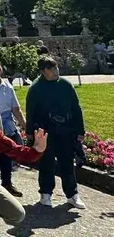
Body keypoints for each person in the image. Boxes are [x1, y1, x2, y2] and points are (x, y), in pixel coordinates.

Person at [26, 56, 86, 209]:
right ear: (43, 71)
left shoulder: (65, 85)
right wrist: (30, 134)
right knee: (46, 162)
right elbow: (30, 112)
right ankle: (45, 194)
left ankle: (72, 195)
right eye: (51, 69)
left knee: (67, 161)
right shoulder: (36, 88)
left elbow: (76, 107)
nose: (55, 71)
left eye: (56, 67)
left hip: (66, 130)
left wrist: (80, 130)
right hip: (45, 132)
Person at [0, 57, 27, 197]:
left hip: (7, 124)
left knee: (7, 155)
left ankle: (7, 184)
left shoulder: (7, 85)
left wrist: (24, 125)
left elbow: (16, 108)